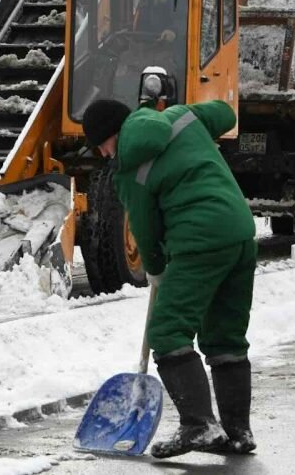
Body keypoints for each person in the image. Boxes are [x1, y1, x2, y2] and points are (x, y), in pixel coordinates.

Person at [82, 97, 257, 458]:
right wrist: (187, 113)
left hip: (199, 240)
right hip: (241, 232)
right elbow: (226, 113)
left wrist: (156, 268)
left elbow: (144, 231)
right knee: (225, 335)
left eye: (101, 144)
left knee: (167, 332)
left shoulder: (129, 168)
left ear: (113, 134)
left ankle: (198, 426)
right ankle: (238, 431)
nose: (103, 154)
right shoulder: (181, 118)